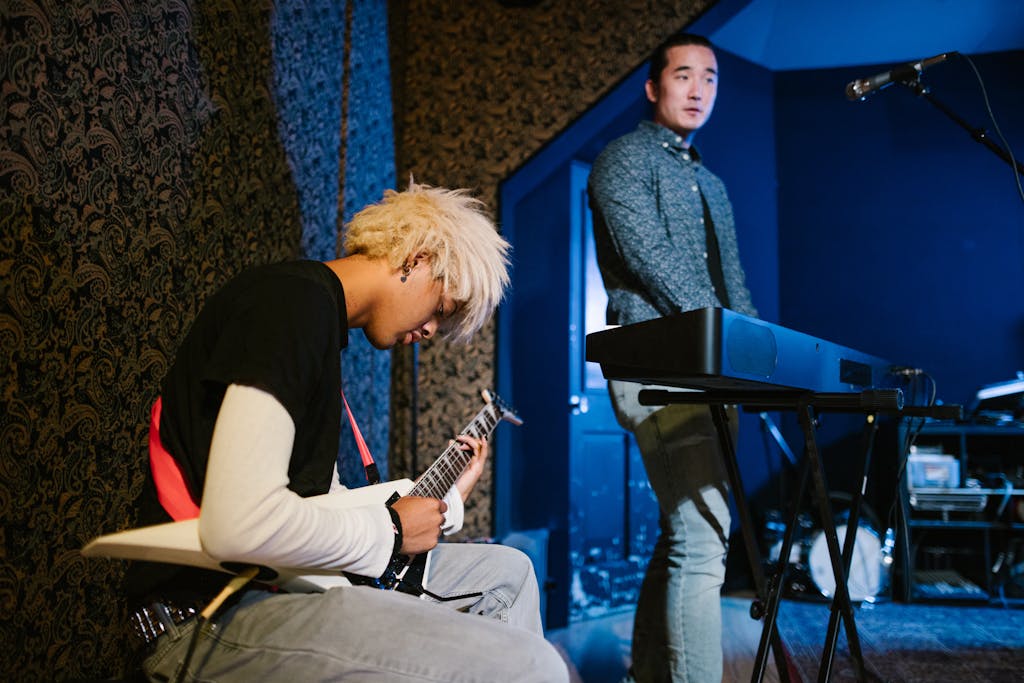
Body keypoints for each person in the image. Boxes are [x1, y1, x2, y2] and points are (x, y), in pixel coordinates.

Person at [125, 181, 569, 682]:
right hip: (208, 615)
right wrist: (395, 529)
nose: (428, 333)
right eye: (440, 311)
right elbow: (240, 524)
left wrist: (444, 504)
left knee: (509, 575)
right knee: (533, 664)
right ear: (416, 260)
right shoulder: (291, 306)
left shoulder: (316, 323)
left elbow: (317, 507)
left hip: (278, 588)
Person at [588, 33, 758, 683]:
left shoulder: (709, 182)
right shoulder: (622, 160)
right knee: (704, 535)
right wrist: (726, 338)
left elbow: (733, 280)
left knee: (685, 531)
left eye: (710, 78)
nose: (698, 89)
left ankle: (651, 674)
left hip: (716, 365)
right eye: (683, 75)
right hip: (663, 362)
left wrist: (757, 355)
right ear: (653, 87)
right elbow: (651, 261)